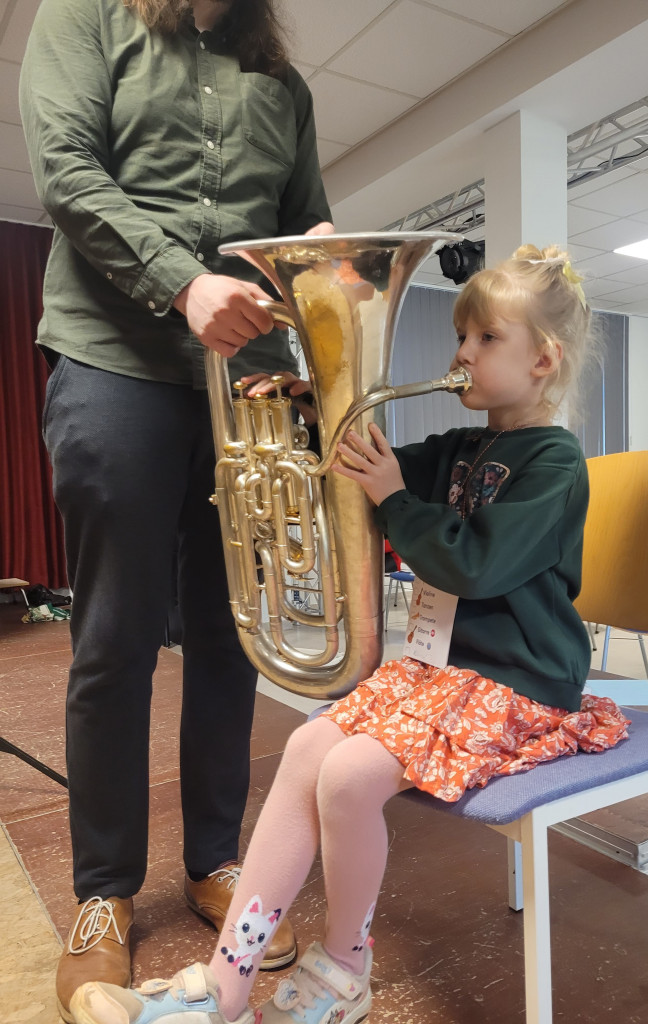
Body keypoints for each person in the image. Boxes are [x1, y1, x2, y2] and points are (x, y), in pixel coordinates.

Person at [67, 246, 631, 1024]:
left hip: (521, 684)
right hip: (446, 675)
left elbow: (475, 565)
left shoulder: (557, 463)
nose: (462, 354)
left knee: (350, 776)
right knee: (307, 748)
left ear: (544, 359)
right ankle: (226, 990)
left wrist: (396, 498)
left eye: (485, 339)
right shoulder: (464, 449)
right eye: (460, 337)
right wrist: (316, 413)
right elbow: (363, 463)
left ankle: (343, 972)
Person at [19, 0, 333, 1019]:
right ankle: (103, 893)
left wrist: (319, 271)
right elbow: (67, 171)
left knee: (230, 633)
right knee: (112, 637)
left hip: (245, 379)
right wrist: (183, 283)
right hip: (114, 357)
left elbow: (306, 223)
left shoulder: (282, 83)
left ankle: (216, 860)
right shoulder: (84, 16)